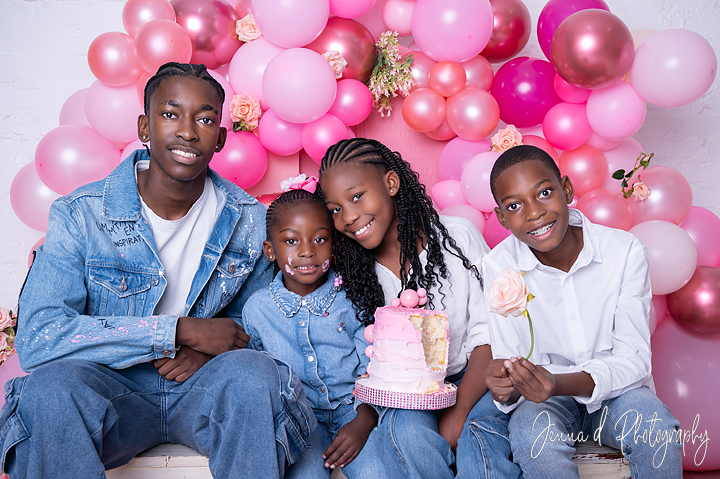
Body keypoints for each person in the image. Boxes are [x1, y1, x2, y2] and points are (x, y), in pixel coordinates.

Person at [0, 62, 315, 478]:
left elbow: (258, 320)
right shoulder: (81, 214)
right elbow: (40, 336)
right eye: (170, 114)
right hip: (112, 393)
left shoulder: (250, 219)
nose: (187, 131)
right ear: (145, 128)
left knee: (255, 375)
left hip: (201, 391)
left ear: (220, 138)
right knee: (49, 392)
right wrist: (175, 331)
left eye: (204, 119)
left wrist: (209, 351)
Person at [318, 138, 521, 479]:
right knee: (405, 433)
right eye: (335, 209)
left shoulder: (456, 238)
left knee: (476, 442)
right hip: (409, 390)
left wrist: (459, 413)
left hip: (478, 374)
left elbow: (489, 330)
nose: (349, 217)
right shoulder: (357, 273)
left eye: (356, 196)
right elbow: (376, 360)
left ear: (391, 184)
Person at [483, 144, 682, 478]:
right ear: (502, 218)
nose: (534, 213)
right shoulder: (498, 265)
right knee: (533, 439)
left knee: (657, 432)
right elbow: (512, 356)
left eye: (544, 192)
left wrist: (559, 382)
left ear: (567, 189)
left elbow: (633, 359)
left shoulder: (623, 251)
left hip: (620, 395)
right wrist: (506, 384)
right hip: (544, 403)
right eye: (515, 205)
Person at [241, 178, 391, 478]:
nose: (307, 251)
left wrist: (365, 418)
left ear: (334, 246)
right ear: (270, 251)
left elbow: (375, 364)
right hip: (300, 419)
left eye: (319, 239)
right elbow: (262, 381)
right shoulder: (257, 310)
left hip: (355, 409)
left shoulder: (351, 297)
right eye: (292, 241)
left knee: (379, 472)